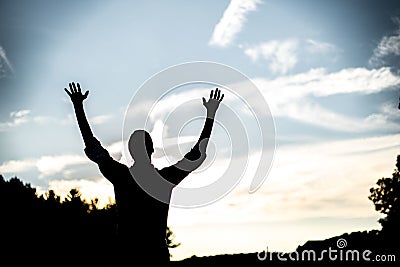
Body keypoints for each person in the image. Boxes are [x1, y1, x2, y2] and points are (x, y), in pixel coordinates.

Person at [64, 82, 223, 266]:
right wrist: (210, 115)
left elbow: (93, 146)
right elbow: (197, 154)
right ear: (152, 150)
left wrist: (78, 107)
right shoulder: (164, 179)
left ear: (131, 151)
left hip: (127, 256)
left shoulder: (122, 177)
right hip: (155, 258)